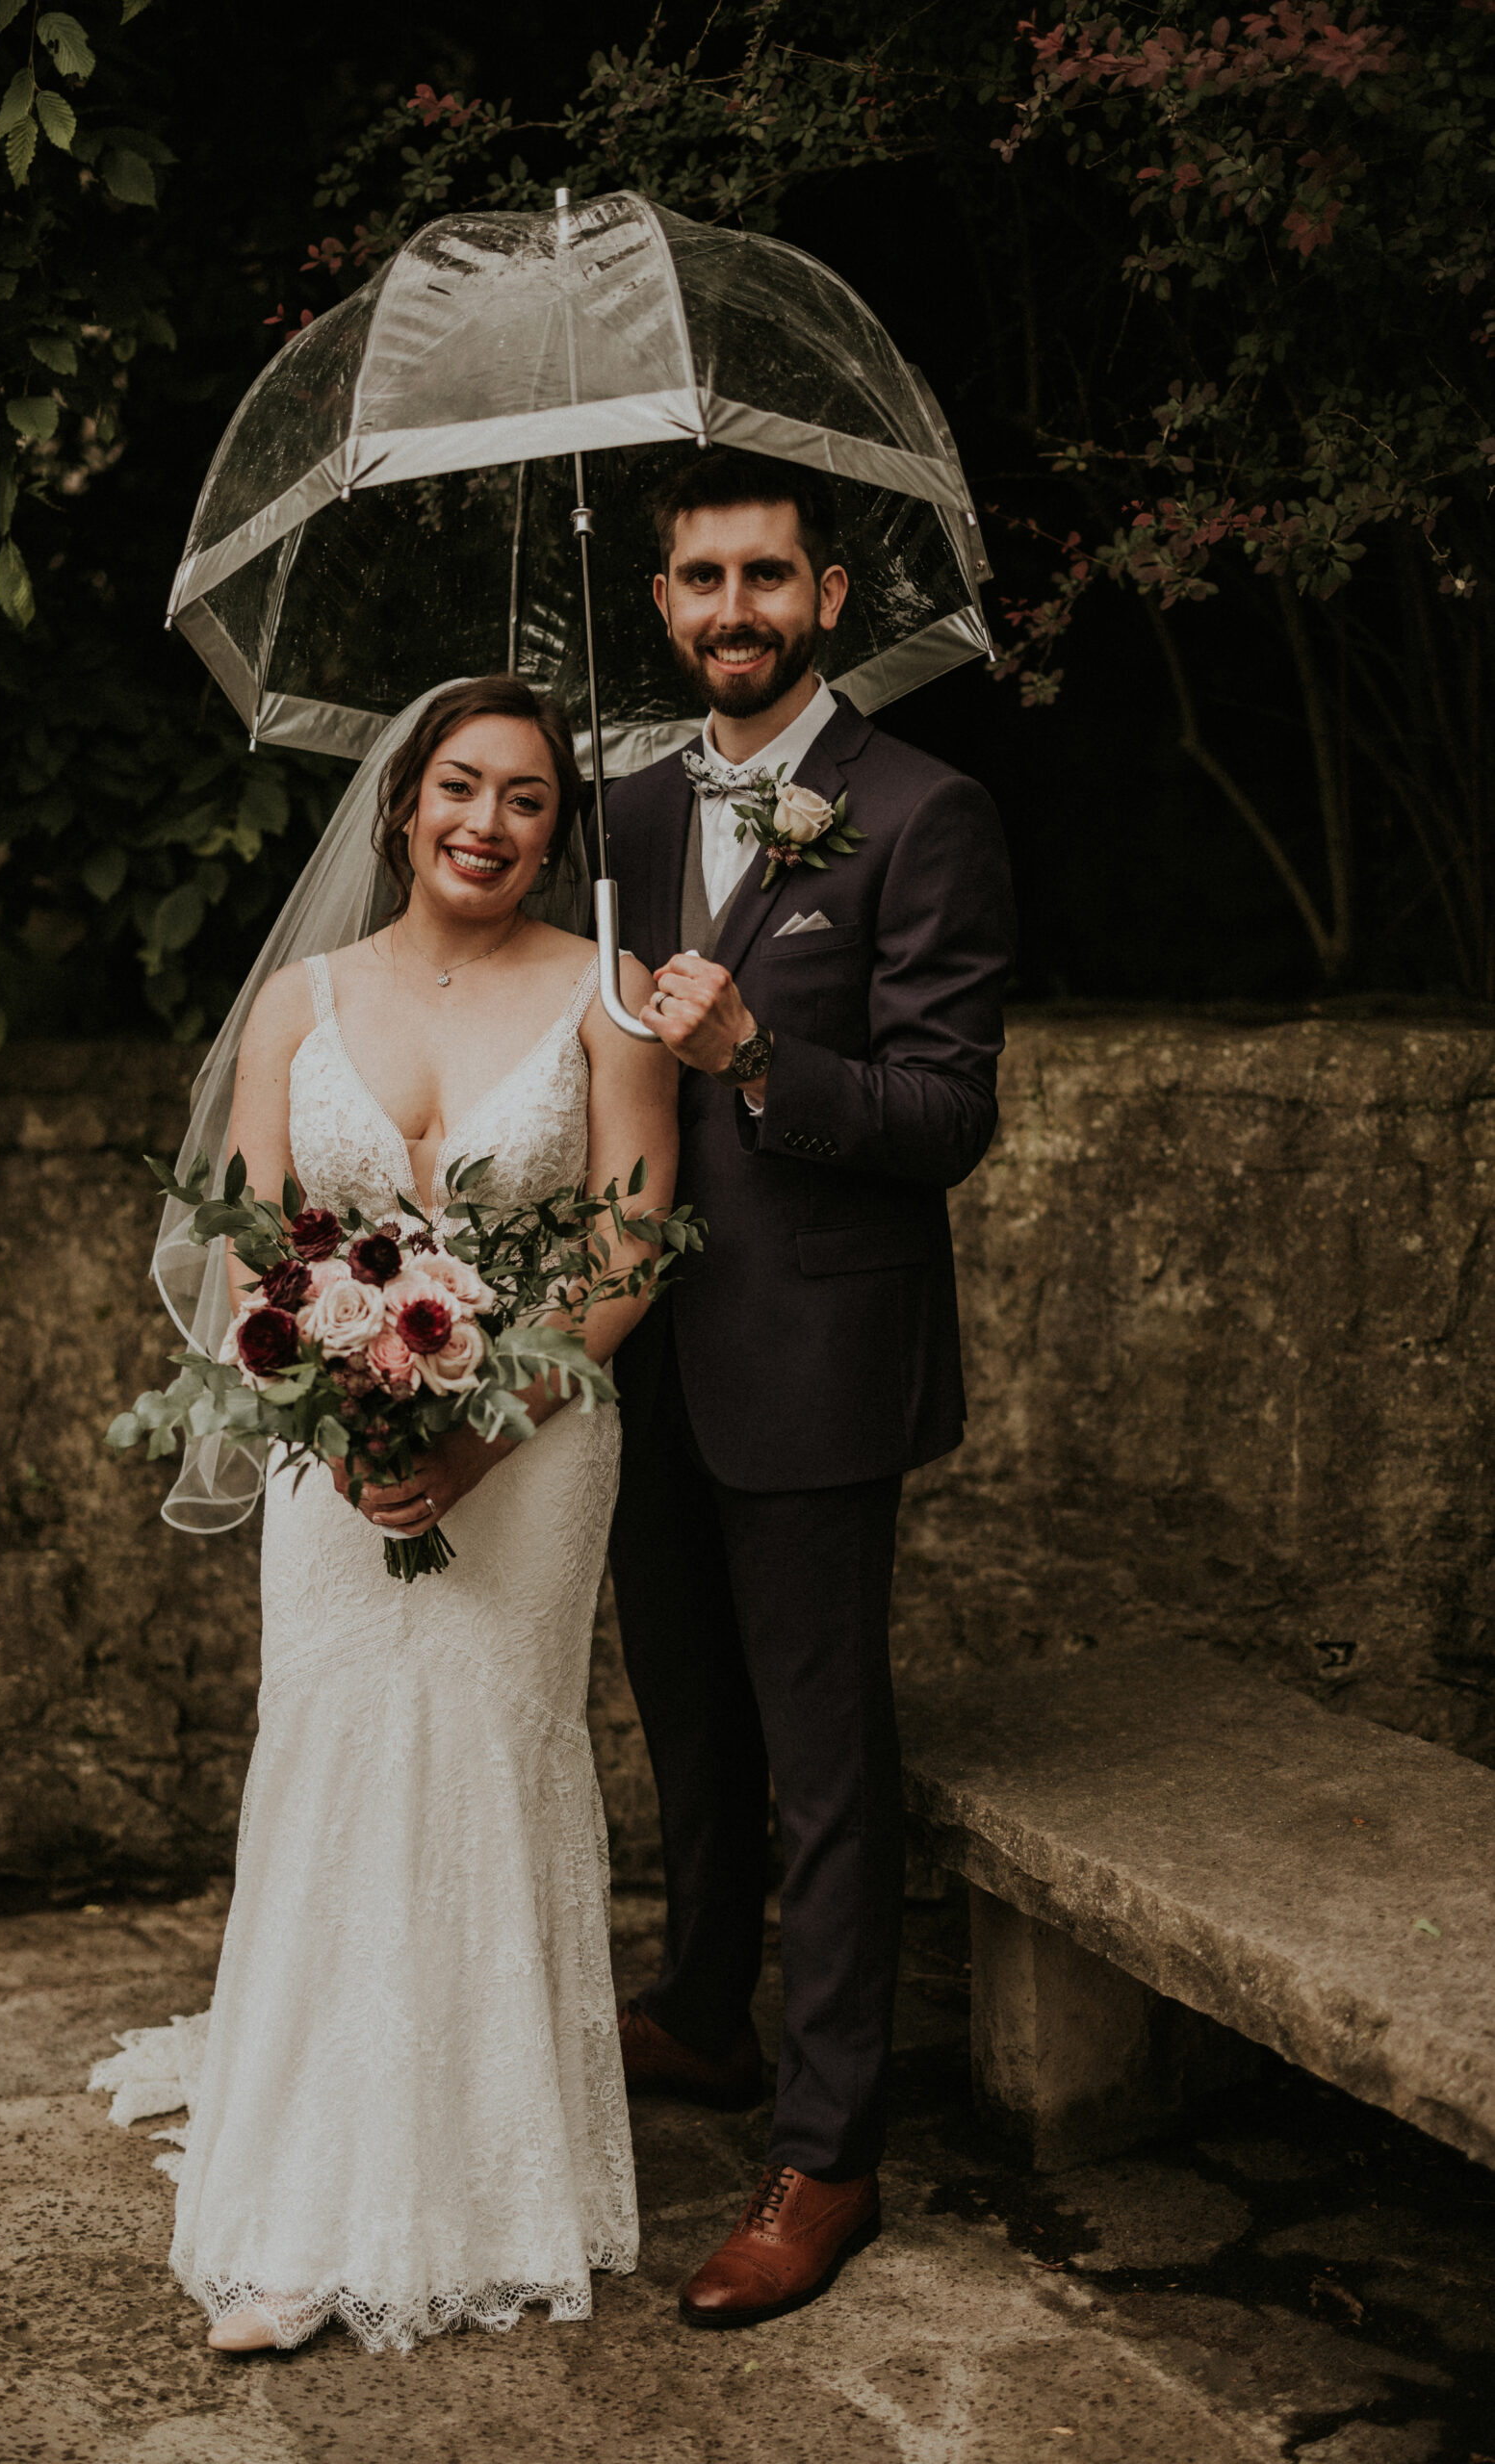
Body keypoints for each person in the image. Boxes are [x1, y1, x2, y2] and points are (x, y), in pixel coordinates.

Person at [95, 676, 678, 2353]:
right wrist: (333, 1401)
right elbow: (249, 1238)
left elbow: (634, 1245)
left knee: (491, 1753)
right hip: (330, 1440)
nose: (486, 825)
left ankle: (494, 2183)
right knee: (341, 1749)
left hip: (541, 1441)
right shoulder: (302, 995)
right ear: (403, 802)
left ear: (559, 833)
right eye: (459, 788)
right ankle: (296, 2213)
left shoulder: (606, 996)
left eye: (526, 801)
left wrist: (489, 1433)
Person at [601, 449, 1016, 2328]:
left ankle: (825, 2148)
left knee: (822, 1766)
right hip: (630, 1351)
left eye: (765, 575)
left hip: (817, 1357)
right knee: (684, 1718)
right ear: (667, 601)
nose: (732, 610)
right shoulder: (607, 808)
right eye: (700, 580)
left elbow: (943, 1118)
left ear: (828, 595)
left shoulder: (921, 811)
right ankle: (698, 2003)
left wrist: (761, 1050)